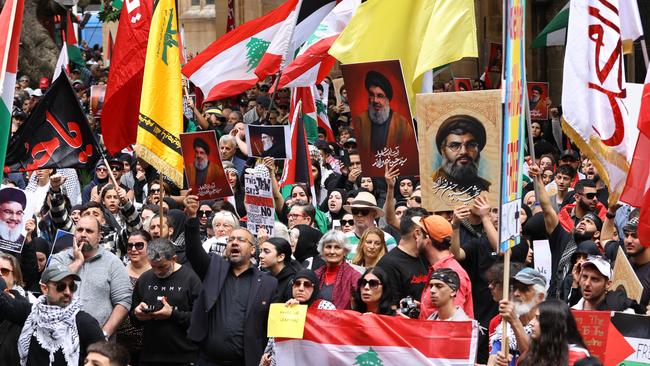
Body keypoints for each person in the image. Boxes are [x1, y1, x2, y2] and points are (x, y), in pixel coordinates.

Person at [183, 192, 277, 366]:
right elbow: (193, 251)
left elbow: (274, 324)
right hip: (208, 360)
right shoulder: (214, 268)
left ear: (253, 250)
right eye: (231, 240)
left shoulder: (268, 283)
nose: (234, 243)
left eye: (241, 240)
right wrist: (191, 217)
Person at [49, 216, 132, 339]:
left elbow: (123, 303)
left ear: (99, 236)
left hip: (96, 343)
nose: (83, 234)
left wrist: (103, 335)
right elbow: (51, 288)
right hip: (59, 338)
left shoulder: (113, 263)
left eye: (89, 231)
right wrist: (77, 262)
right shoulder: (58, 258)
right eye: (80, 230)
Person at [131, 238, 201, 365]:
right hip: (149, 356)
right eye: (153, 266)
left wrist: (173, 314)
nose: (157, 271)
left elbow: (201, 319)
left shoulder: (190, 279)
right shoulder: (144, 279)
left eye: (162, 266)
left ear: (173, 259)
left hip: (183, 356)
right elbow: (133, 318)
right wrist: (138, 315)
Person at [18, 265, 105, 366]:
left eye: (72, 287)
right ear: (44, 288)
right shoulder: (32, 314)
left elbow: (105, 360)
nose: (68, 292)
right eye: (61, 287)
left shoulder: (85, 322)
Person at [260, 269, 335, 366]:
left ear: (315, 287)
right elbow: (273, 346)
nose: (301, 288)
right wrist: (291, 312)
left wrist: (303, 313)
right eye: (297, 283)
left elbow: (331, 339)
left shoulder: (326, 308)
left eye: (307, 284)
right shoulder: (285, 308)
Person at [352, 70, 418, 173]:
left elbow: (409, 153)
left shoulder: (402, 124)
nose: (375, 100)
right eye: (371, 95)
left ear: (387, 99)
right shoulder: (360, 121)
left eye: (380, 96)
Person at [413, 214, 474, 320]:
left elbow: (452, 322)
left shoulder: (453, 273)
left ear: (427, 239)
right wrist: (423, 309)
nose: (416, 238)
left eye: (418, 233)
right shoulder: (440, 268)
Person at [488, 268, 547, 366]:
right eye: (514, 288)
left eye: (524, 289)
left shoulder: (548, 324)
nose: (516, 293)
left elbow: (533, 360)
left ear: (540, 297)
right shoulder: (502, 323)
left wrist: (515, 321)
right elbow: (492, 361)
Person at [430, 114, 490, 200]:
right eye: (454, 146)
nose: (464, 152)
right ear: (443, 150)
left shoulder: (487, 188)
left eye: (471, 145)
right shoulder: (431, 185)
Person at [517, 299, 590, 366]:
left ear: (552, 324)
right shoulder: (533, 352)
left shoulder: (577, 358)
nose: (531, 323)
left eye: (538, 319)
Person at [570, 256, 642, 313]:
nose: (587, 283)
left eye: (594, 279)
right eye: (585, 277)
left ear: (608, 284)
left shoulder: (621, 312)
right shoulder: (573, 311)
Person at [342, 191, 396, 260]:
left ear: (374, 214)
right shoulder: (344, 239)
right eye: (355, 211)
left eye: (364, 211)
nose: (359, 215)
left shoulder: (387, 240)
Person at [314, 230, 361, 309]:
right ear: (322, 250)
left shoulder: (354, 277)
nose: (332, 251)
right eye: (328, 247)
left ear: (345, 251)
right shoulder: (315, 275)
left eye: (337, 247)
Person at [258, 237, 303, 303]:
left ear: (281, 257)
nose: (260, 255)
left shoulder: (294, 281)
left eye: (266, 252)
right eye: (260, 251)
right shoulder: (264, 278)